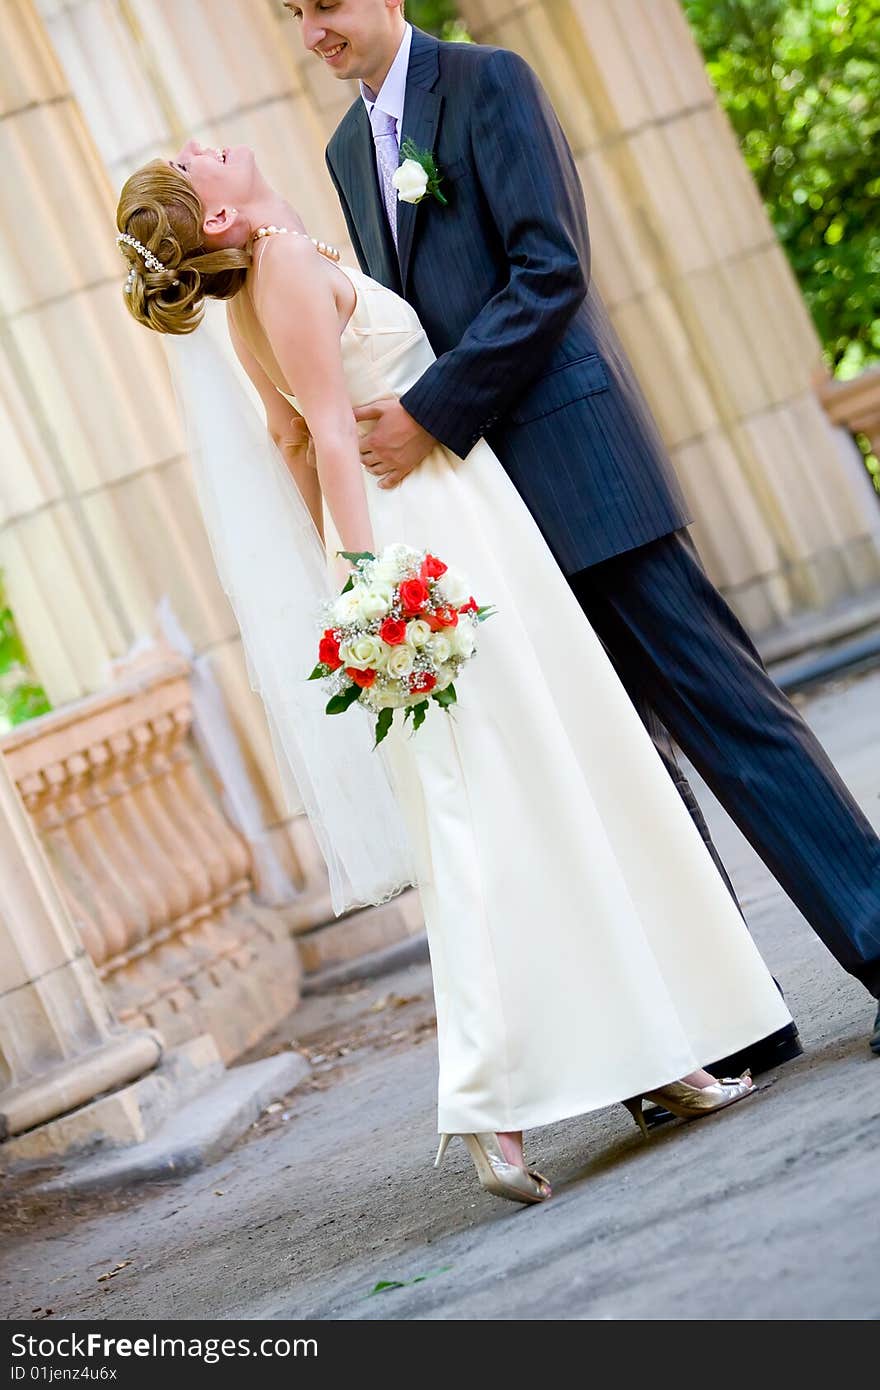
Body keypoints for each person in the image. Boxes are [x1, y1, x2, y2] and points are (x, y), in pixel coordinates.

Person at [115, 141, 793, 1205]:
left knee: (533, 798)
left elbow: (289, 441)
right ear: (215, 224)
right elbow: (329, 438)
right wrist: (369, 590)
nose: (207, 146)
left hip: (444, 530)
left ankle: (658, 1060)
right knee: (494, 814)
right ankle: (494, 1108)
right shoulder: (282, 267)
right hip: (436, 544)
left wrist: (350, 577)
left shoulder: (259, 283)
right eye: (194, 164)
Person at [288, 0, 880, 1057]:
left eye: (322, 5)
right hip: (489, 517)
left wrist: (431, 410)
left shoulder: (488, 83)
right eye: (292, 14)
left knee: (734, 726)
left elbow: (549, 268)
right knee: (621, 768)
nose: (311, 33)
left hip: (584, 469)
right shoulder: (344, 150)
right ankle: (737, 1016)